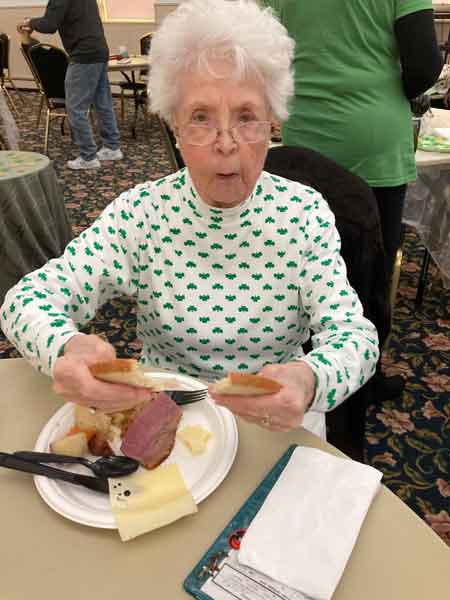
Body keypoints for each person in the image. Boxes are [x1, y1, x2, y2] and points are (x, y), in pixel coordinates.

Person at [1, 0, 379, 439]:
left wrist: (309, 378)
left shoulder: (303, 213)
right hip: (167, 424)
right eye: (200, 118)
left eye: (246, 117)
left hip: (276, 424)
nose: (226, 144)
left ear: (272, 123)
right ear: (174, 127)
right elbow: (25, 300)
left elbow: (355, 336)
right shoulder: (142, 213)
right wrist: (67, 346)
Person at [263, 0, 442, 400]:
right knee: (370, 271)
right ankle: (363, 377)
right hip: (372, 135)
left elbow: (263, 46)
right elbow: (424, 65)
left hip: (304, 136)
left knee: (302, 266)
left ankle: (301, 370)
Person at [17, 0, 123, 170]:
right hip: (99, 50)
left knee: (75, 108)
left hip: (83, 56)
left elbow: (49, 25)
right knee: (103, 103)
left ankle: (88, 157)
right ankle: (112, 147)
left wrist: (30, 22)